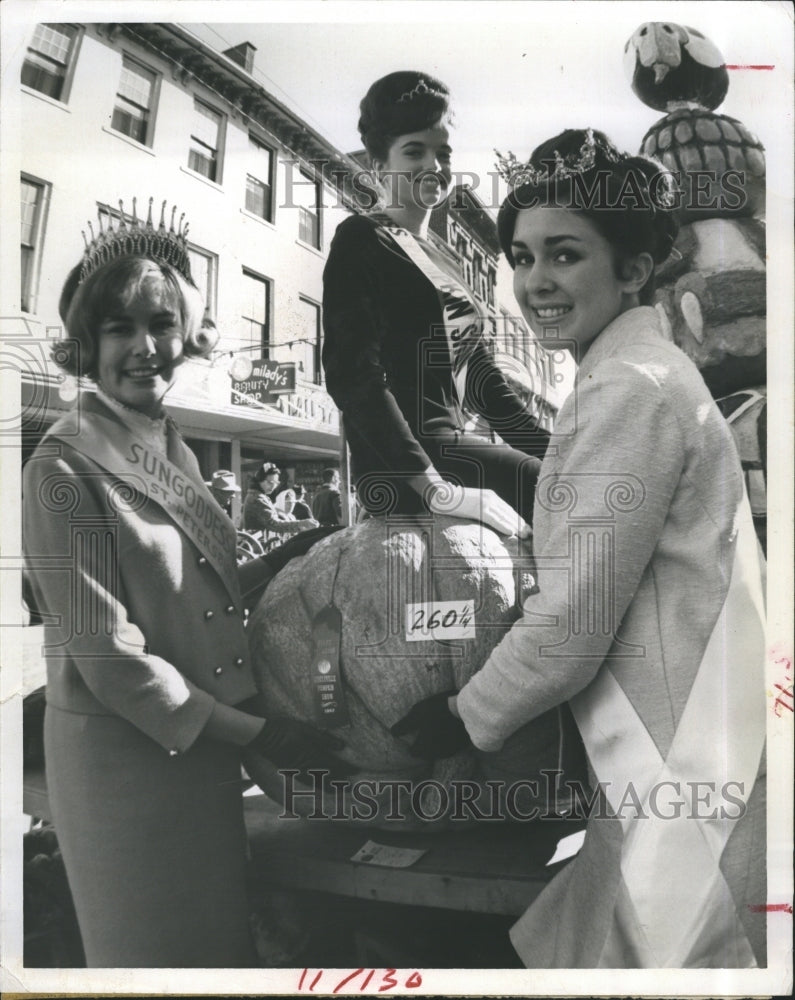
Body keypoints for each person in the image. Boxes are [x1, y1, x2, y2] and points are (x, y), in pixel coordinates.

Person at [391, 131, 767, 969]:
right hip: (689, 745)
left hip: (682, 765)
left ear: (632, 269)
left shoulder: (627, 389)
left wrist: (462, 715)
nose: (535, 283)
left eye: (564, 255)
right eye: (520, 258)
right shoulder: (640, 374)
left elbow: (569, 625)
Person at [22, 200, 351, 967]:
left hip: (199, 749)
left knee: (212, 954)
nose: (145, 348)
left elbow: (187, 600)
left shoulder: (170, 441)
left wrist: (285, 558)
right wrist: (264, 735)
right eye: (119, 328)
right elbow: (111, 660)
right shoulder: (63, 464)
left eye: (162, 325)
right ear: (85, 343)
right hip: (127, 767)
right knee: (156, 960)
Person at [322, 71, 549, 537]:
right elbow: (352, 374)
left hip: (456, 445)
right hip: (403, 464)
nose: (434, 165)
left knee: (571, 476)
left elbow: (485, 386)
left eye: (443, 153)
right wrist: (433, 487)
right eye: (414, 151)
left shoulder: (445, 261)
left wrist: (562, 450)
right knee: (549, 487)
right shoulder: (363, 237)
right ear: (379, 161)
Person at [242, 462, 318, 536]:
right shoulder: (257, 498)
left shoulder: (258, 495)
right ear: (260, 480)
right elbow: (274, 524)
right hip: (258, 544)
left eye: (276, 483)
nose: (273, 487)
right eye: (270, 482)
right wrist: (301, 524)